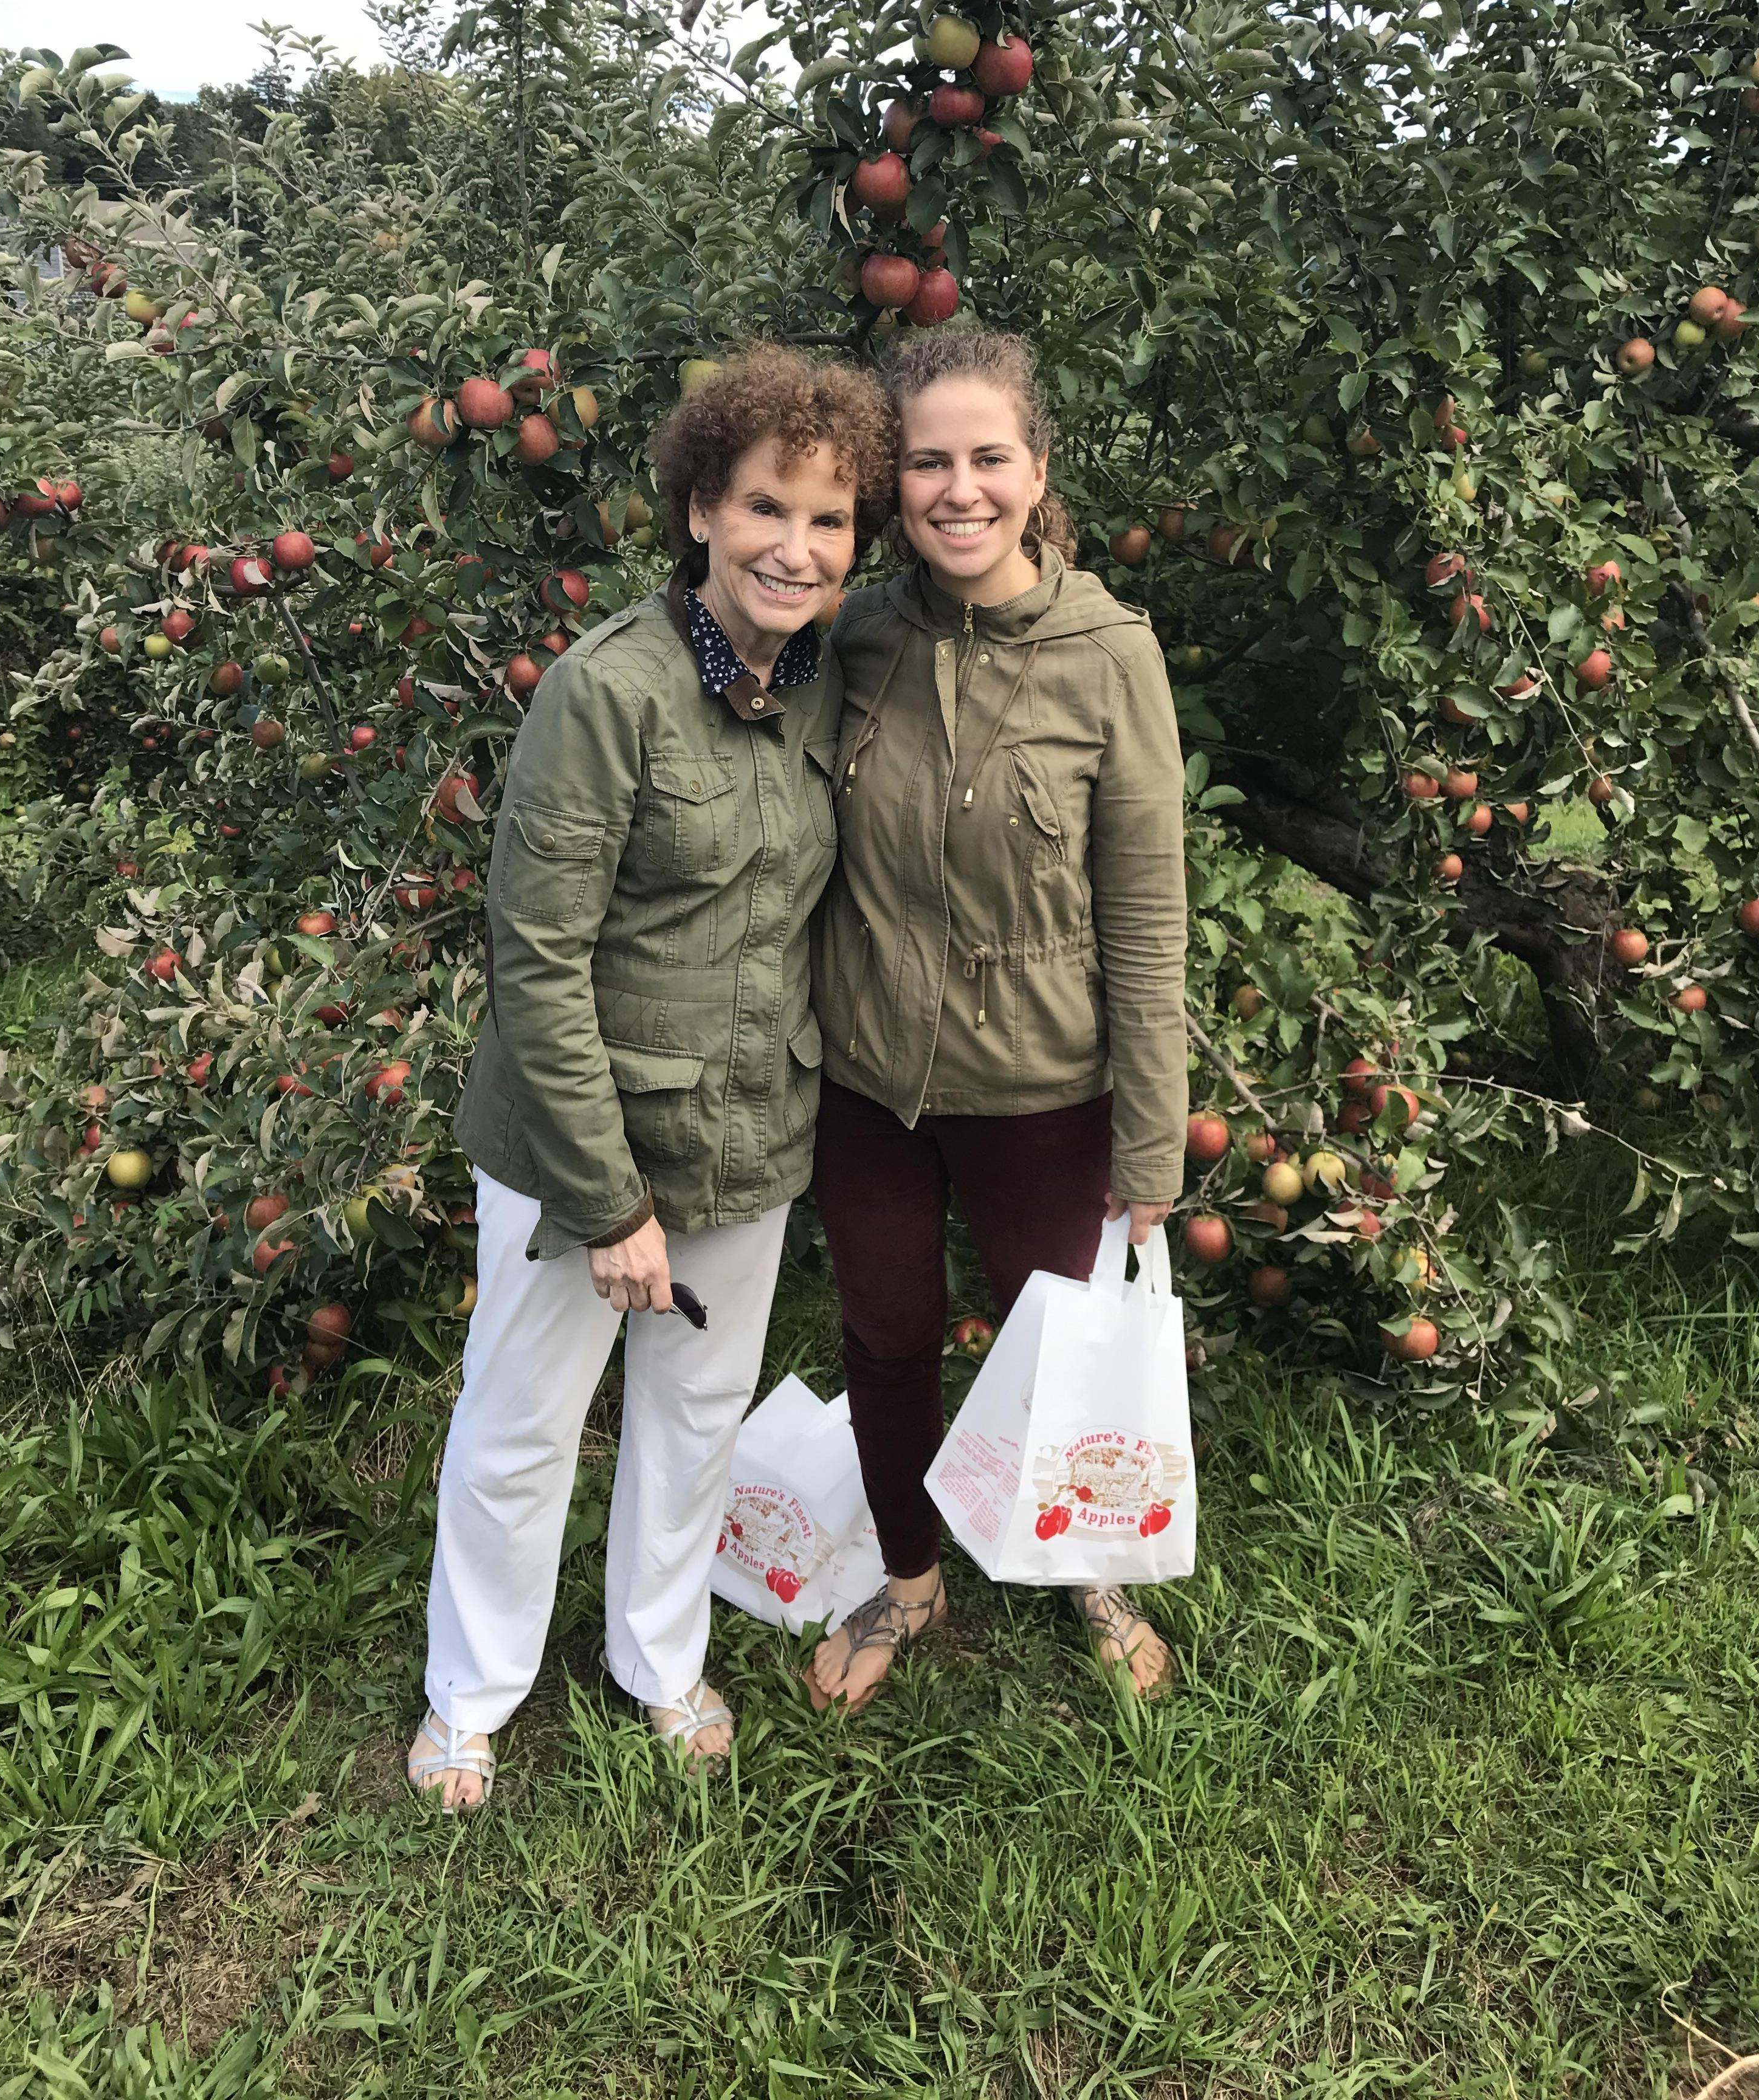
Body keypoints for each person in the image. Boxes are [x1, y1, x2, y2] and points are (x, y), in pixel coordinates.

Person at [409, 346, 895, 1809]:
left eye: (827, 521)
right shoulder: (605, 692)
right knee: (521, 1422)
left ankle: (657, 1659)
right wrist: (609, 1199)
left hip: (752, 1125)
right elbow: (535, 957)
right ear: (699, 508)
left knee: (698, 1411)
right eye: (764, 508)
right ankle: (472, 1694)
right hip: (585, 1143)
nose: (793, 548)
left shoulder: (823, 686)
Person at [804, 327, 1190, 1713]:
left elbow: (1148, 916)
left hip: (1044, 1081)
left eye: (988, 458)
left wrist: (1151, 1145)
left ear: (1036, 471)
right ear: (889, 481)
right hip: (870, 1079)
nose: (958, 490)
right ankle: (910, 1577)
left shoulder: (1110, 657)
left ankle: (1088, 1566)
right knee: (888, 1329)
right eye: (926, 463)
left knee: (1058, 1342)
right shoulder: (854, 635)